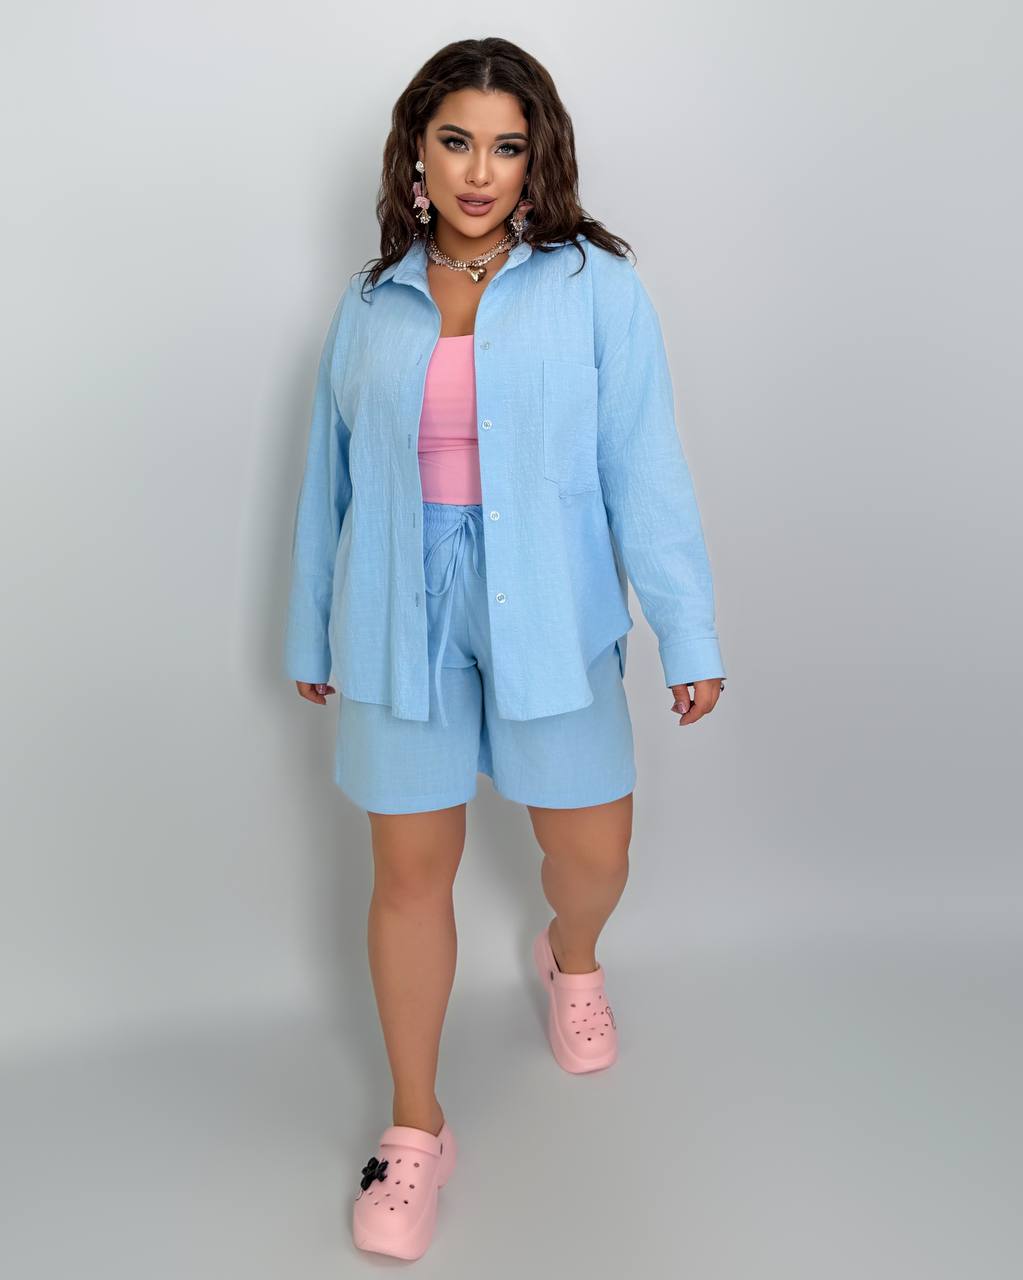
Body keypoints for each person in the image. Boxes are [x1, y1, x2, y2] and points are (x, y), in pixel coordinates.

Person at [283, 36, 726, 1261]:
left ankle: (570, 955)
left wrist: (686, 627)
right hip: (397, 614)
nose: (481, 171)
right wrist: (311, 623)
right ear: (416, 155)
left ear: (539, 159)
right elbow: (328, 480)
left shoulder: (595, 287)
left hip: (551, 604)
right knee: (406, 873)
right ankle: (414, 1127)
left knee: (592, 849)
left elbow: (644, 466)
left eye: (508, 146)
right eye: (457, 141)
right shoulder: (369, 304)